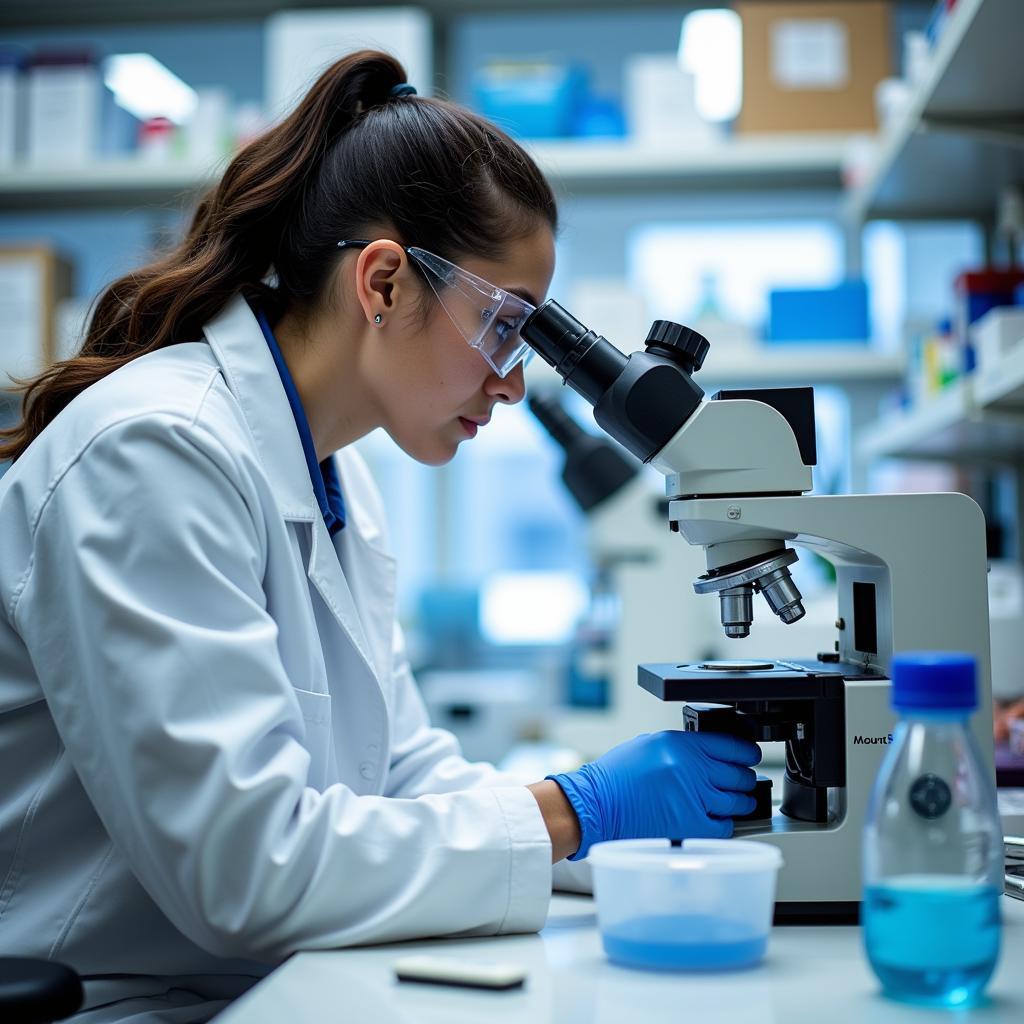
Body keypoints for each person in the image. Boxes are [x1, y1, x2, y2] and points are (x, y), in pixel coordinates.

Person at [0, 51, 760, 1023]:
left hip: (256, 984)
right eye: (501, 327)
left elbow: (399, 773)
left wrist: (622, 851)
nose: (511, 380)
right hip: (113, 1004)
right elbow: (246, 866)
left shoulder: (337, 474)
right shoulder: (151, 451)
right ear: (385, 282)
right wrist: (576, 810)